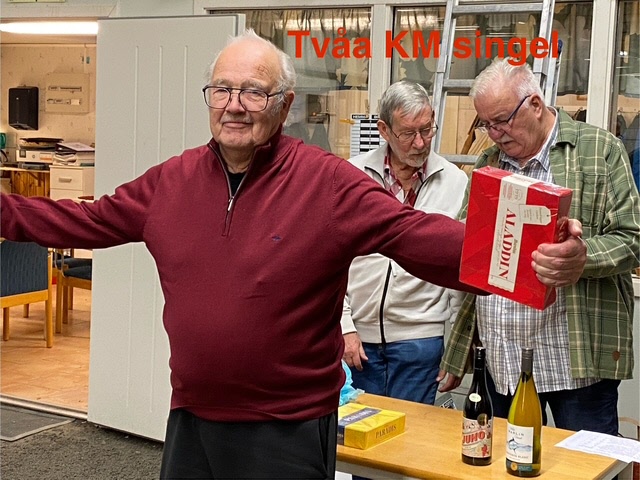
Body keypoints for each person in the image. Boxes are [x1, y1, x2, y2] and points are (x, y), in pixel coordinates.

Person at [1, 33, 582, 479]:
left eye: (253, 92)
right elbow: (83, 220)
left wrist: (535, 254)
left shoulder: (326, 184)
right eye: (222, 90)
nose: (234, 105)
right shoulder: (169, 183)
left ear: (283, 105)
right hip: (191, 420)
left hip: (288, 430)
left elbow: (416, 236)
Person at [438, 58, 640, 437]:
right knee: (501, 461)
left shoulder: (599, 150)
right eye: (486, 124)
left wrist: (582, 258)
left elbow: (633, 238)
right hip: (501, 360)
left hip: (574, 362)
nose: (495, 134)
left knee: (583, 465)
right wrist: (458, 350)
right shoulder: (488, 162)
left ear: (534, 104)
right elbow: (473, 256)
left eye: (502, 120)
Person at [342, 80, 468, 407]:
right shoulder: (352, 176)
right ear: (384, 129)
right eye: (408, 133)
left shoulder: (456, 181)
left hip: (421, 341)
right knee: (357, 434)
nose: (420, 142)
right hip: (358, 341)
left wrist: (457, 348)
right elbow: (329, 259)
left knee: (414, 435)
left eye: (427, 129)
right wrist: (343, 326)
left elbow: (458, 270)